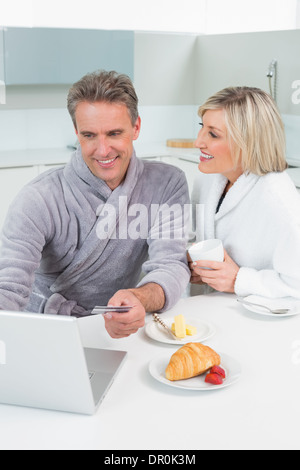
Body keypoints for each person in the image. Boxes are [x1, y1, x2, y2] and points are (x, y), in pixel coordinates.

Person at [0, 70, 190, 338]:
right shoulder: (38, 198)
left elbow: (170, 265)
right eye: (89, 135)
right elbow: (9, 287)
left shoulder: (166, 184)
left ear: (136, 128)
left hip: (118, 328)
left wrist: (139, 297)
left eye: (114, 133)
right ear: (77, 132)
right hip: (44, 328)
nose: (102, 150)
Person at [190, 86, 300, 299]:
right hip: (209, 310)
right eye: (202, 127)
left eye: (213, 134)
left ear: (247, 142)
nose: (198, 142)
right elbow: (194, 235)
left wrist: (239, 280)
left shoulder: (278, 200)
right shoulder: (209, 178)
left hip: (257, 321)